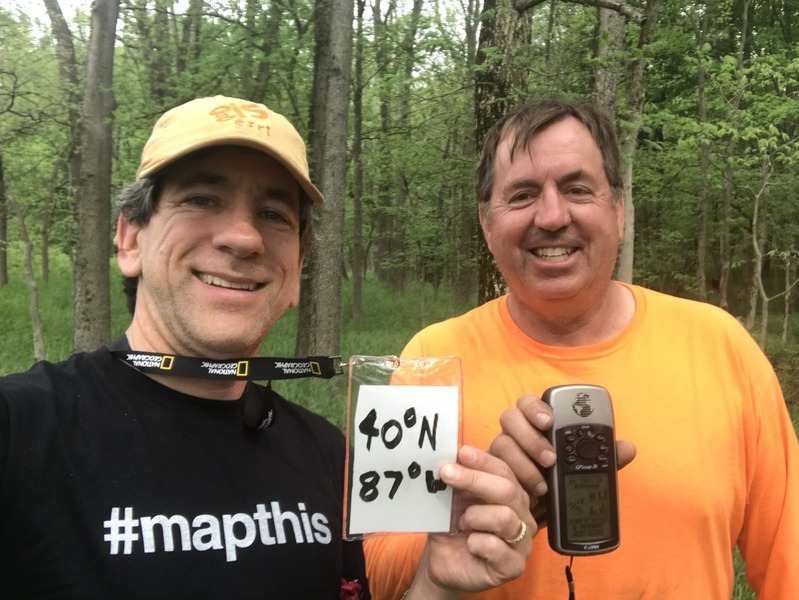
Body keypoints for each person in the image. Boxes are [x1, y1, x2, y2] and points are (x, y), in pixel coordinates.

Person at [0, 95, 536, 598]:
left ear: (298, 271)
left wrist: (435, 584)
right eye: (202, 199)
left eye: (274, 214)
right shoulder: (21, 430)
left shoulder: (329, 456)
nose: (244, 237)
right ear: (131, 239)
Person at [364, 99, 799, 599]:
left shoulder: (722, 346)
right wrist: (461, 527)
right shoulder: (428, 360)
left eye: (576, 189)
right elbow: (372, 569)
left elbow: (789, 562)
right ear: (486, 224)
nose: (551, 217)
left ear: (618, 211)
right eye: (523, 194)